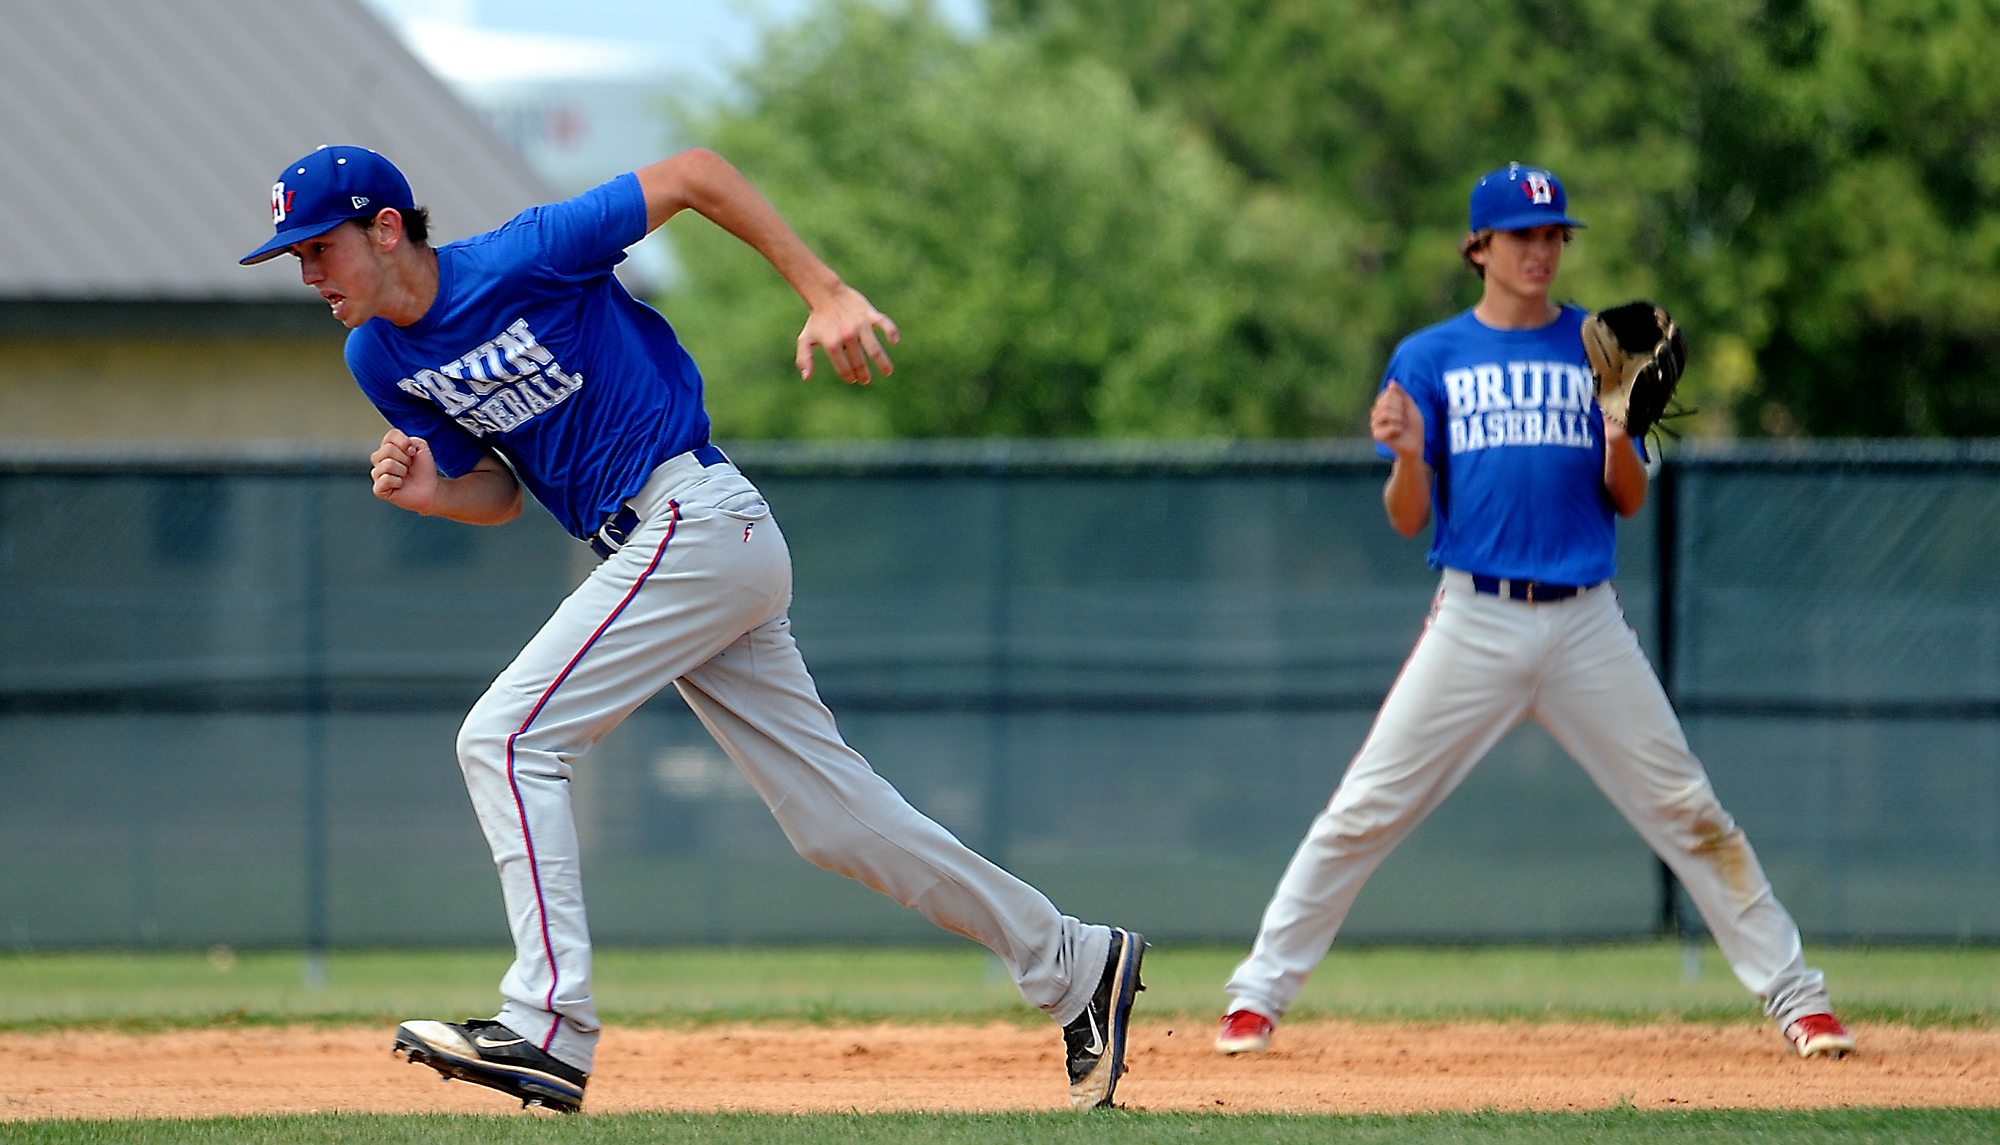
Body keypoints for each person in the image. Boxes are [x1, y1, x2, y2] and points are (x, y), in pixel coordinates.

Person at [240, 145, 1144, 1113]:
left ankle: (547, 1024)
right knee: (832, 821)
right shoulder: (378, 354)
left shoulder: (522, 256)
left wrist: (824, 290)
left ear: (385, 228)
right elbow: (500, 491)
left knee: (504, 737)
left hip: (693, 518)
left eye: (318, 245)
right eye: (293, 254)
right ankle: (1071, 958)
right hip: (669, 552)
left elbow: (694, 175)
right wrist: (434, 494)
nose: (306, 271)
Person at [1211, 163, 1855, 1062]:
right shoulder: (1430, 358)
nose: (1542, 251)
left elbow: (1626, 500)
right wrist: (1405, 457)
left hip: (1587, 620)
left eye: (1553, 236)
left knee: (1691, 810)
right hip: (1474, 618)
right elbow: (1407, 519)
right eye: (1522, 236)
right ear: (1479, 248)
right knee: (1363, 810)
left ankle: (1801, 1000)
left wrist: (1622, 430)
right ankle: (1256, 997)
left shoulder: (1597, 347)